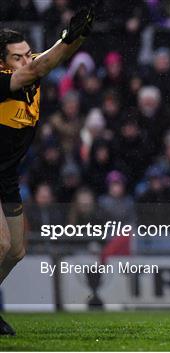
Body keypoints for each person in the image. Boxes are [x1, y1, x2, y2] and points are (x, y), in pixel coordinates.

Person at [0, 7, 95, 335]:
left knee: (16, 251)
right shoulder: (3, 80)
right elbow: (40, 65)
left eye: (28, 54)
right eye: (17, 58)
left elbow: (53, 57)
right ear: (3, 63)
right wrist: (66, 39)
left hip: (7, 178)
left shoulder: (32, 64)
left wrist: (79, 34)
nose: (26, 61)